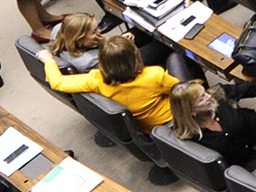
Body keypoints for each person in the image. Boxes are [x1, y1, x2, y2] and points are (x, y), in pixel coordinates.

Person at [43, 33, 180, 130]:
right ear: (136, 56)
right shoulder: (154, 75)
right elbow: (181, 91)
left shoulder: (95, 80)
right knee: (176, 58)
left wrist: (48, 61)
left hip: (146, 128)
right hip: (172, 117)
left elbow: (57, 82)